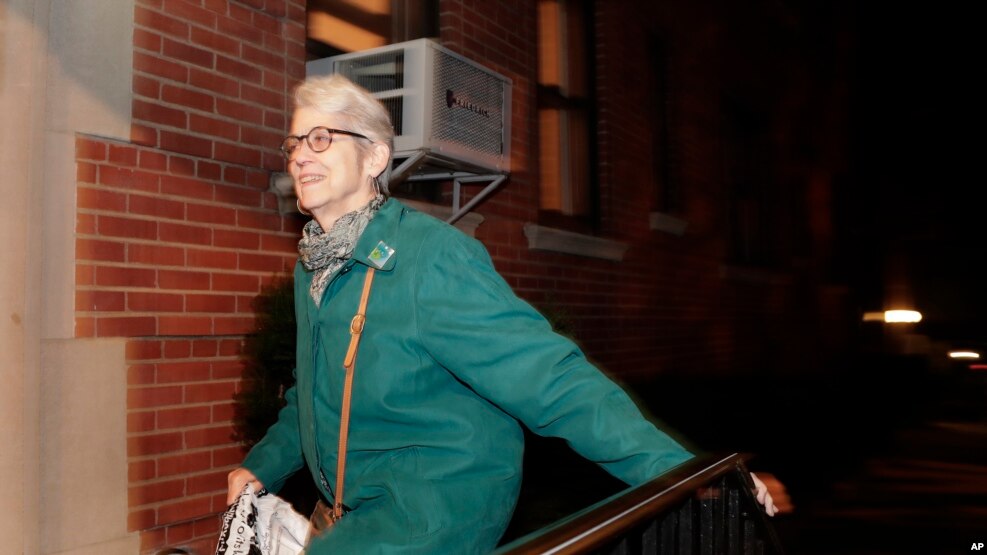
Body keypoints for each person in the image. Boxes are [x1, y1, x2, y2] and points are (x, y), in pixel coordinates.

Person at [226, 74, 777, 553]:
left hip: (431, 515)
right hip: (352, 515)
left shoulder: (428, 257)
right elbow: (311, 396)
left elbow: (550, 379)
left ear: (374, 157)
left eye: (321, 138)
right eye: (295, 141)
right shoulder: (316, 267)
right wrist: (260, 468)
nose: (300, 155)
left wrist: (685, 475)